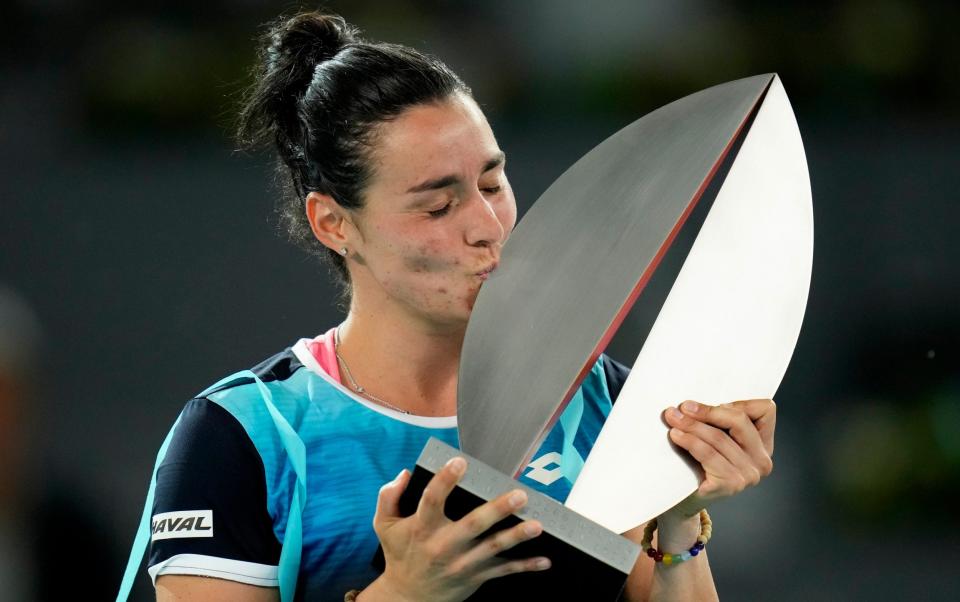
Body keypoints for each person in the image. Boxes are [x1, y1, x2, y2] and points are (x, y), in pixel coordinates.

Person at [130, 11, 776, 602]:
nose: (487, 225)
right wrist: (406, 592)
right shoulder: (246, 435)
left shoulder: (604, 405)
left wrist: (678, 514)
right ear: (333, 224)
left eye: (493, 183)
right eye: (438, 205)